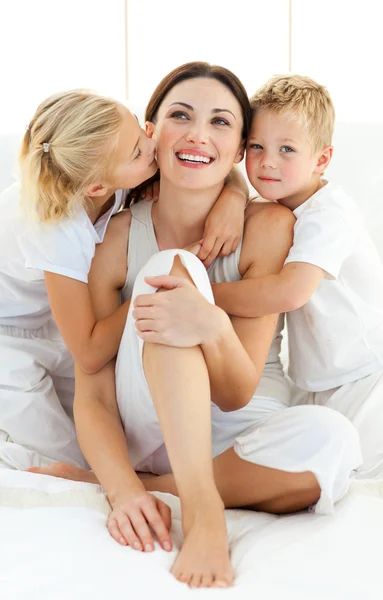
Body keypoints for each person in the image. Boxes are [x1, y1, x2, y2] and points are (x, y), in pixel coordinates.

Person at [31, 63, 361, 588]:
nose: (198, 134)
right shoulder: (114, 237)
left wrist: (211, 323)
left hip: (236, 424)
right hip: (148, 418)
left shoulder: (271, 226)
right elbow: (92, 392)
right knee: (170, 270)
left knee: (336, 442)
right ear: (152, 132)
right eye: (180, 115)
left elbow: (237, 393)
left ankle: (163, 483)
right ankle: (203, 509)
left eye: (222, 123)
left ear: (238, 152)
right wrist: (123, 494)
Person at [0, 89, 247, 470]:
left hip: (50, 324)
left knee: (108, 427)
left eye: (139, 127)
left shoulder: (104, 170)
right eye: (138, 149)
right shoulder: (57, 229)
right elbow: (88, 350)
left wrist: (236, 194)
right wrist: (154, 290)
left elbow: (210, 163)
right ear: (96, 188)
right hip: (9, 339)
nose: (152, 143)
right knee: (69, 457)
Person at [213, 74, 383, 479]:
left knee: (349, 476)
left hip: (364, 375)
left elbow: (290, 292)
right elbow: (234, 174)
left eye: (287, 149)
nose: (267, 161)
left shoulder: (328, 213)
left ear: (321, 160)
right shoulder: (275, 204)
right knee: (302, 465)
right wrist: (234, 194)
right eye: (256, 147)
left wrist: (206, 295)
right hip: (314, 379)